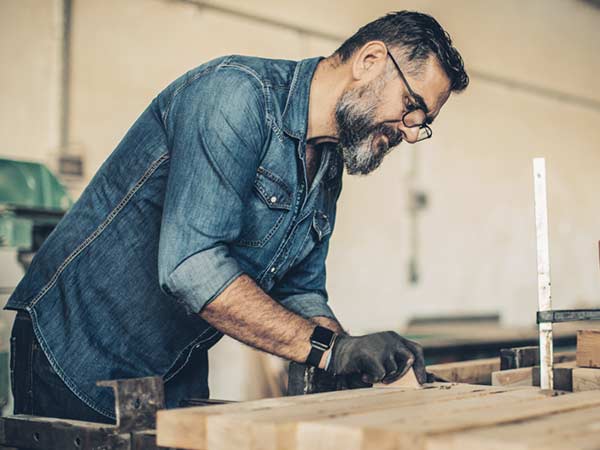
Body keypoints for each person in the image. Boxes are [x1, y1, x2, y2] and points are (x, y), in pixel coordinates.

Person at [6, 10, 468, 423]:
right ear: (369, 60)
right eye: (412, 107)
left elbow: (299, 289)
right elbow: (192, 267)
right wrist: (330, 351)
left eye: (421, 124)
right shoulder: (235, 95)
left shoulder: (328, 164)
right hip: (75, 348)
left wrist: (353, 355)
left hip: (173, 363)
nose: (410, 134)